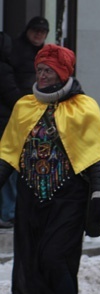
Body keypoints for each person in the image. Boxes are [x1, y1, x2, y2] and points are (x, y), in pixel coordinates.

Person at [0, 44, 100, 294]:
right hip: (30, 199)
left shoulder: (83, 106)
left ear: (62, 72)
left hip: (69, 199)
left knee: (55, 257)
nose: (43, 74)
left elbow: (98, 155)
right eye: (39, 70)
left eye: (49, 70)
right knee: (35, 263)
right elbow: (9, 154)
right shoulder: (24, 106)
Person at [1, 16, 49, 229]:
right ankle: (9, 212)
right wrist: (25, 108)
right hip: (16, 118)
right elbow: (10, 88)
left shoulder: (41, 54)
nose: (39, 34)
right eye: (35, 30)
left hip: (30, 118)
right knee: (11, 164)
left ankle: (14, 211)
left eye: (43, 31)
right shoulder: (14, 55)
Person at [0, 32, 22, 228]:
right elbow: (12, 95)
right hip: (5, 125)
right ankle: (8, 212)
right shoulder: (5, 69)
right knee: (9, 170)